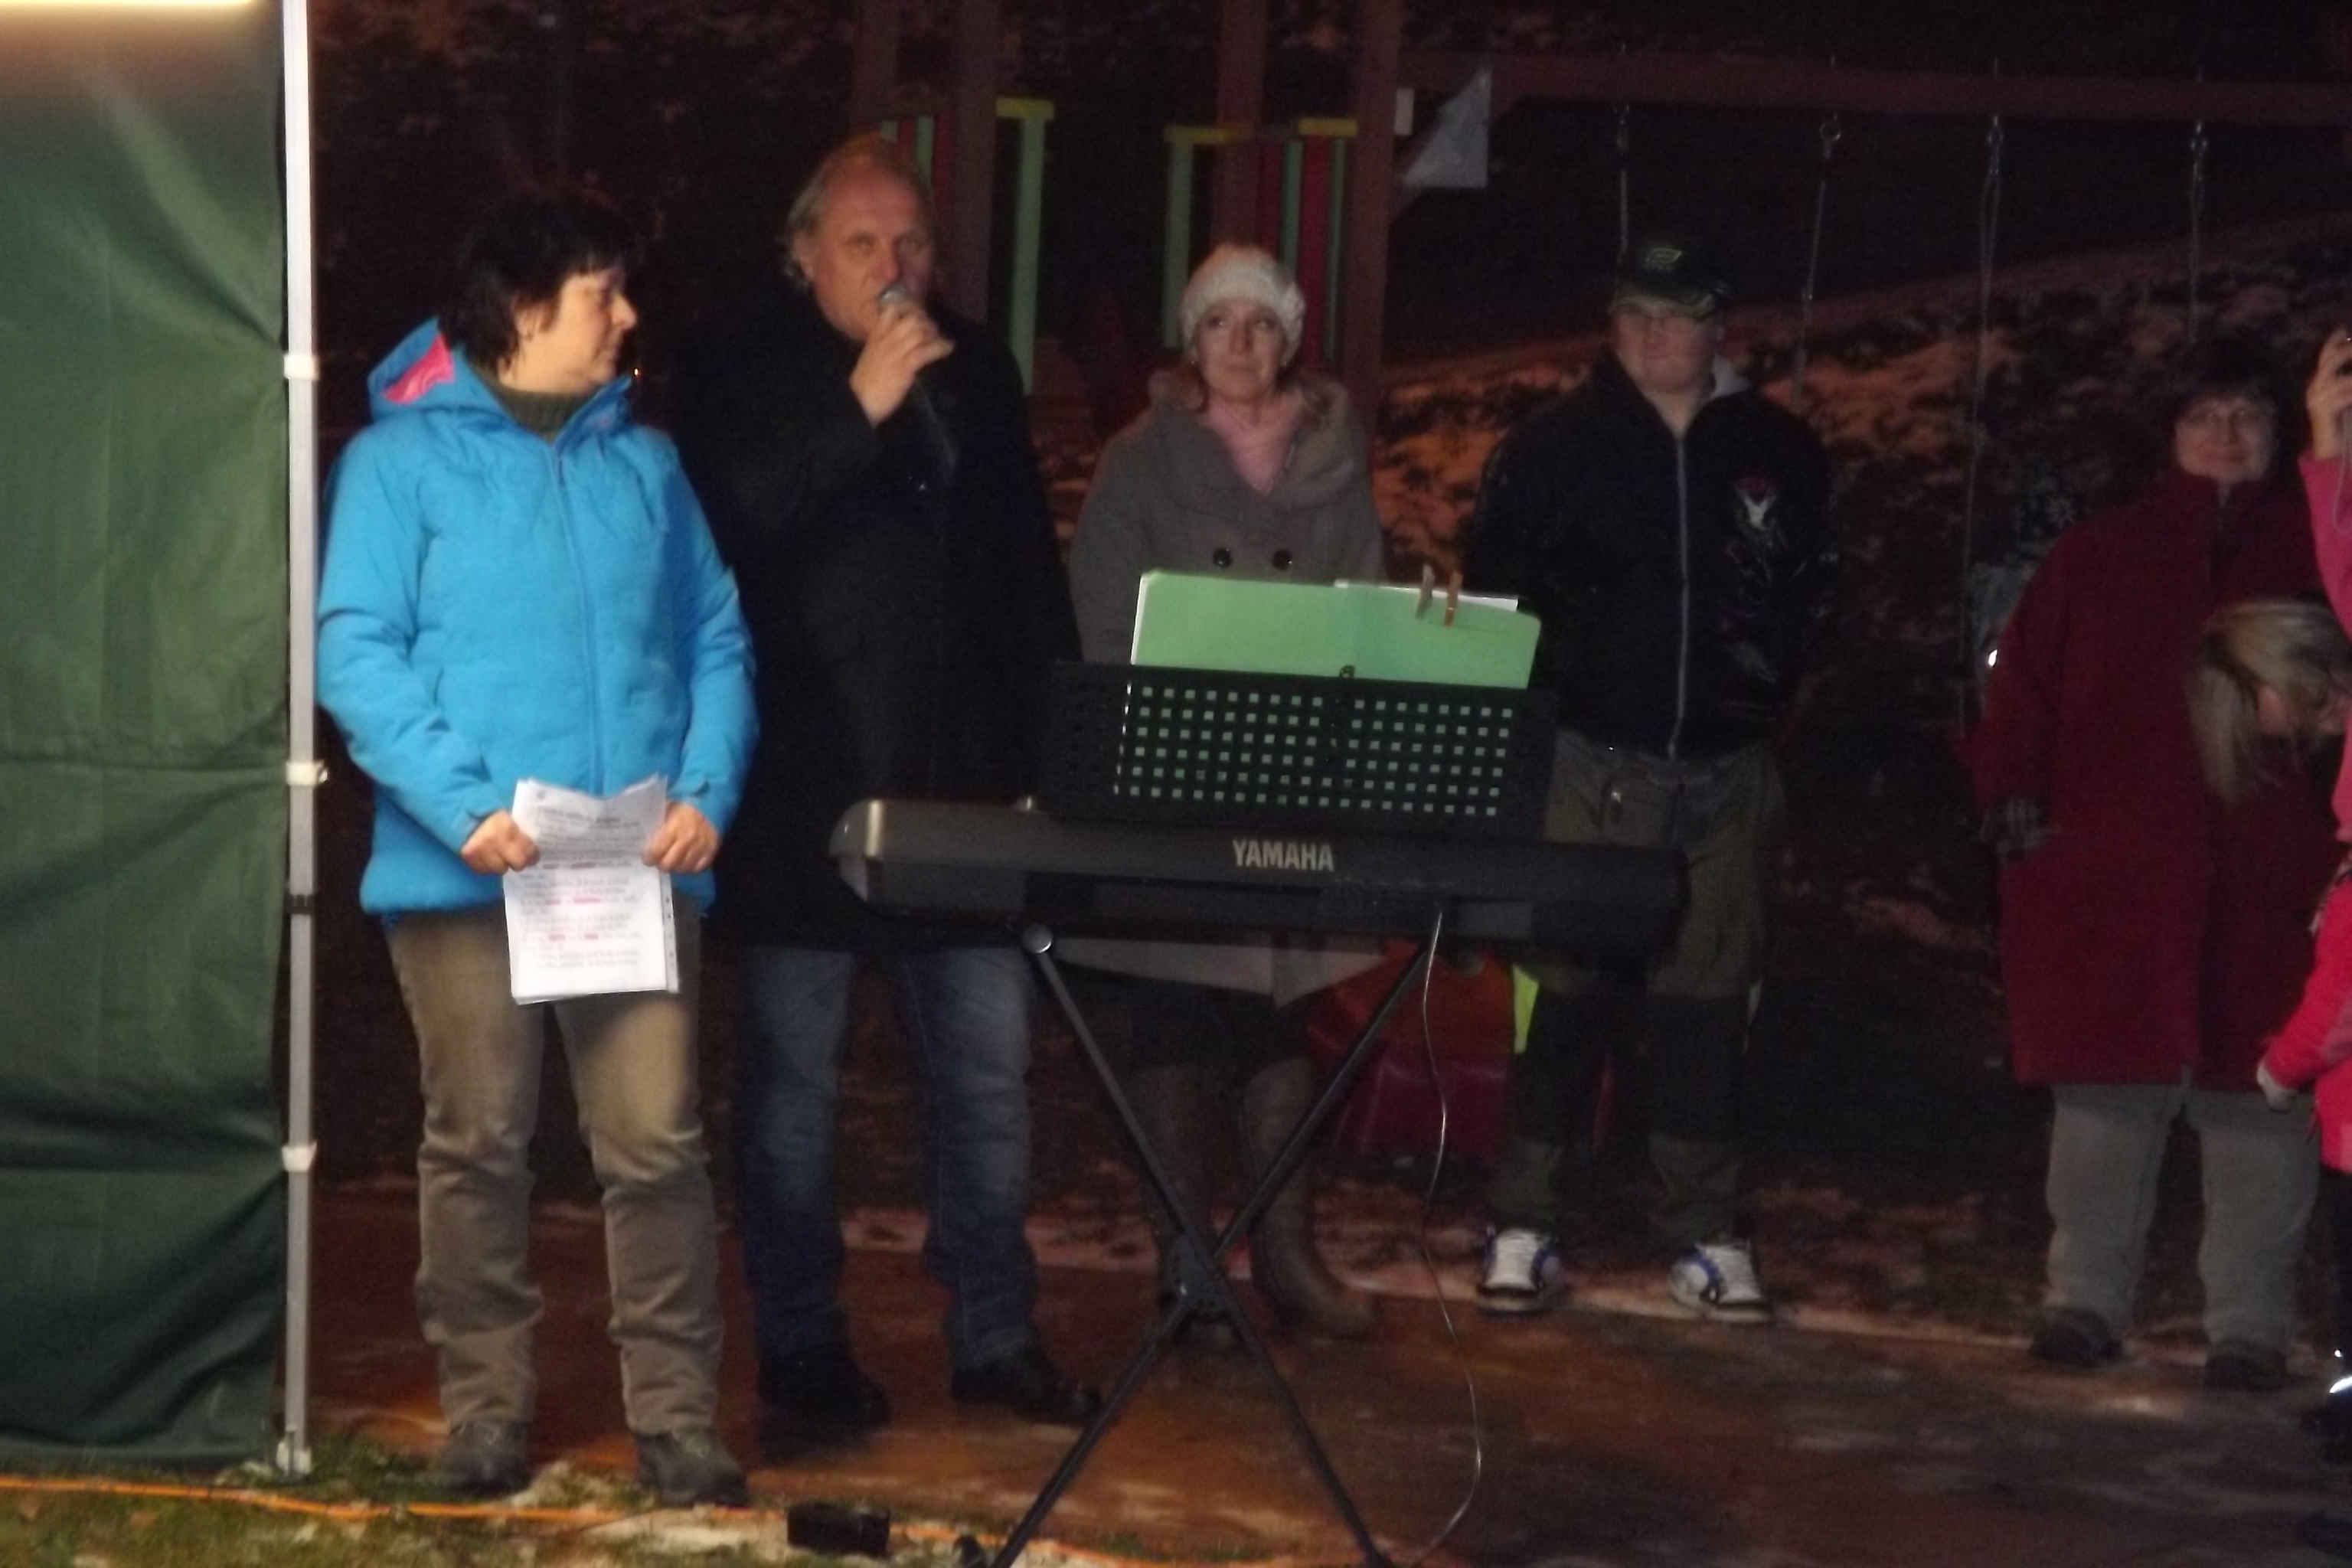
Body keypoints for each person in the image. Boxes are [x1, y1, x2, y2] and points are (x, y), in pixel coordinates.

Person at [317, 188, 757, 1504]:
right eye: (601, 293)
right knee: (478, 1144)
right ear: (521, 307)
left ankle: (677, 1424)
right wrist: (464, 808)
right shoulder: (395, 466)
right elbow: (354, 650)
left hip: (630, 864)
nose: (626, 316)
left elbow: (718, 640)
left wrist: (705, 791)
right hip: (468, 870)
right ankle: (485, 1417)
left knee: (656, 1145)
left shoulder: (648, 466)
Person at [669, 133, 1096, 1459]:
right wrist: (855, 407)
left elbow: (1024, 573)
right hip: (807, 797)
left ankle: (996, 1335)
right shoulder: (741, 365)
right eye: (863, 243)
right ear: (802, 255)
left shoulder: (978, 369)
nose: (895, 266)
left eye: (911, 242)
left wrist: (1052, 760)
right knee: (794, 1093)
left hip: (964, 792)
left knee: (987, 1082)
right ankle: (801, 1344)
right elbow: (725, 526)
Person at [1459, 233, 1836, 1323]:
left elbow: (1818, 590)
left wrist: (1774, 692)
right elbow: (1496, 593)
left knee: (1707, 1010)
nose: (1651, 334)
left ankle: (1707, 1234)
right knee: (1561, 999)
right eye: (1632, 313)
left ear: (1719, 327)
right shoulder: (1552, 446)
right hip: (1589, 761)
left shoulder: (1780, 450)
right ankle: (1524, 1220)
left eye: (1673, 315)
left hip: (1728, 768)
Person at [1968, 335, 2333, 1389]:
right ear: (2167, 434)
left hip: (2272, 880)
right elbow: (2022, 694)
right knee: (2103, 1108)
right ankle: (2082, 1302)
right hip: (2110, 877)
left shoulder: (2315, 547)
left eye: (2248, 415)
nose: (2226, 433)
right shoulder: (2099, 556)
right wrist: (2011, 799)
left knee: (2258, 1109)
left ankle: (2250, 1328)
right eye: (2203, 415)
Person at [1065, 243, 1386, 1344]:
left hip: (1293, 781)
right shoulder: (1138, 461)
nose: (1240, 344)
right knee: (1172, 1010)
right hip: (1174, 778)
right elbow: (1101, 619)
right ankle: (1187, 1264)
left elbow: (1366, 607)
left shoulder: (1337, 459)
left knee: (1277, 1012)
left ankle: (1287, 1251)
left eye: (1260, 324)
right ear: (1190, 341)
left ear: (1287, 338)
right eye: (1218, 323)